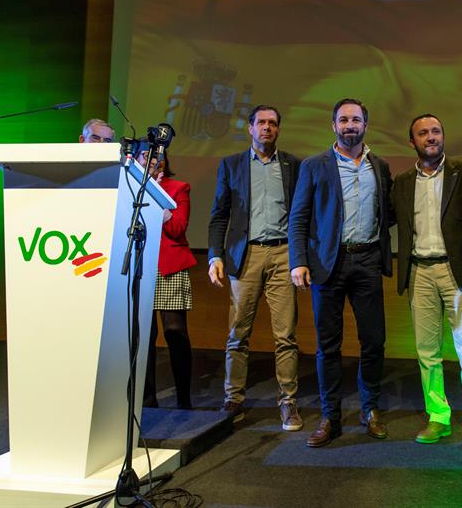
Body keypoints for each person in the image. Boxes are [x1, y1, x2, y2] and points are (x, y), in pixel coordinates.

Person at [391, 114, 462, 457]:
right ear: (412, 142)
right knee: (427, 352)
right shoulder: (403, 181)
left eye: (436, 131)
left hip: (459, 272)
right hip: (419, 272)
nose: (431, 137)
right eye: (423, 133)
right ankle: (438, 417)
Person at [289, 98, 393, 447]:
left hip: (367, 260)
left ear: (366, 125)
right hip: (327, 264)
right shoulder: (314, 165)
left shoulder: (380, 166)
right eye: (344, 120)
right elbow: (299, 217)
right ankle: (330, 417)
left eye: (356, 120)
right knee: (328, 346)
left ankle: (370, 409)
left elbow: (387, 213)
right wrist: (298, 260)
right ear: (334, 125)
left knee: (374, 341)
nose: (350, 125)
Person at [207, 105, 303, 430]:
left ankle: (288, 402)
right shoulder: (231, 164)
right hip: (245, 256)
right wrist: (215, 256)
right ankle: (233, 399)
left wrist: (302, 257)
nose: (267, 127)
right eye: (261, 122)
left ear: (279, 129)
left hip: (283, 254)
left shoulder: (293, 165)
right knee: (238, 334)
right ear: (250, 128)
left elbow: (302, 214)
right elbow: (219, 214)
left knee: (286, 335)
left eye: (273, 123)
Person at [138, 144, 197, 410]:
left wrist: (156, 194)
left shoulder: (178, 188)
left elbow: (177, 227)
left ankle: (184, 399)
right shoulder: (130, 187)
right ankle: (147, 400)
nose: (155, 160)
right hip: (140, 265)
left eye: (160, 157)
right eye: (148, 156)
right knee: (143, 337)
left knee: (175, 333)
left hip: (169, 266)